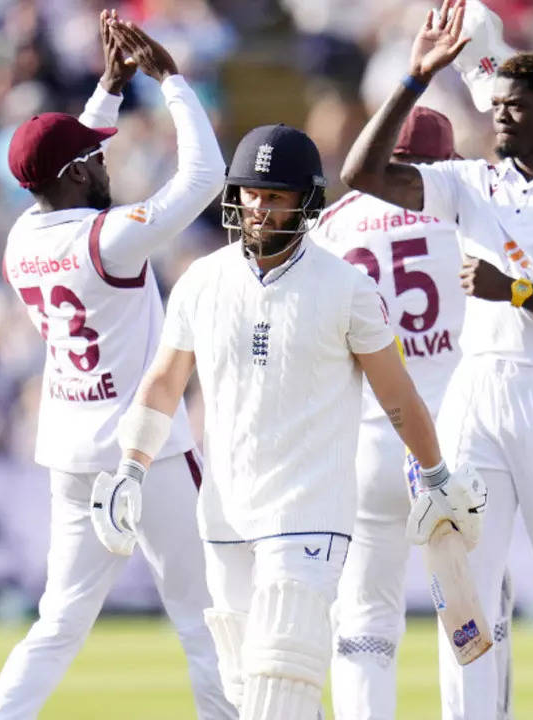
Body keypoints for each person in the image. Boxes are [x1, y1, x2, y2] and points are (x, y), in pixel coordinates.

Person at [92, 121, 485, 720]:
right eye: (250, 193)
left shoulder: (346, 286)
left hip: (309, 512)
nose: (257, 208)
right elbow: (165, 381)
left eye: (274, 196)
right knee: (250, 687)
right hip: (224, 512)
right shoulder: (202, 279)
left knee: (284, 676)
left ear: (307, 203)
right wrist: (130, 467)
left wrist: (434, 476)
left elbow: (397, 394)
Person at [341, 1, 533, 717]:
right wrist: (415, 78)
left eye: (517, 107)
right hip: (477, 391)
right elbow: (361, 174)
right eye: (496, 105)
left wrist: (519, 292)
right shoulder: (470, 183)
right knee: (465, 581)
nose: (501, 117)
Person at [0, 14, 233, 719]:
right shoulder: (110, 241)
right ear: (74, 173)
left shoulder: (18, 239)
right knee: (203, 614)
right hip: (144, 448)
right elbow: (205, 175)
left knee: (58, 622)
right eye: (94, 159)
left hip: (70, 450)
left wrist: (108, 90)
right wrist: (170, 79)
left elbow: (63, 163)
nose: (105, 163)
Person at [315, 105, 515, 720]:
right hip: (459, 437)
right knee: (472, 612)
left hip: (370, 436)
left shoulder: (333, 223)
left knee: (364, 622)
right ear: (444, 160)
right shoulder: (468, 205)